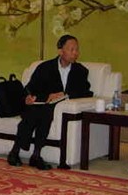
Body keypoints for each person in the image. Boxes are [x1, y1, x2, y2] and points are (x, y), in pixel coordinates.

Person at [7, 34, 93, 170]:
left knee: (45, 113)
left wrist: (65, 94)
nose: (75, 53)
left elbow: (86, 92)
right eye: (71, 49)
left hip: (59, 107)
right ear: (60, 51)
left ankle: (30, 154)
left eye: (77, 49)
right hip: (40, 103)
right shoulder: (45, 67)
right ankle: (18, 152)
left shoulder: (81, 71)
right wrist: (29, 97)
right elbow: (30, 88)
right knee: (33, 113)